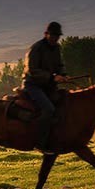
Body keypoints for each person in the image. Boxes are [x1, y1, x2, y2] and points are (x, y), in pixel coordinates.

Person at [21, 21, 70, 150]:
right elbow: (32, 70)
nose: (55, 38)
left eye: (57, 36)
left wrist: (63, 75)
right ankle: (40, 142)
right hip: (32, 85)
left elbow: (60, 65)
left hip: (47, 86)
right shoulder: (36, 48)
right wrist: (53, 77)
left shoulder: (57, 48)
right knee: (49, 109)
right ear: (46, 34)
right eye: (53, 35)